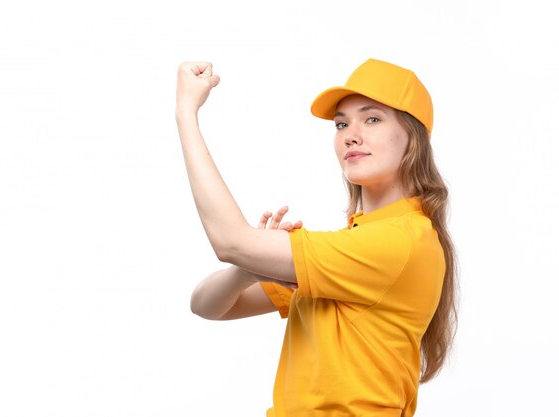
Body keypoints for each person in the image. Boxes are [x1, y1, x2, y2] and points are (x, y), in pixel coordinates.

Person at [175, 58, 457, 417]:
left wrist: (186, 113)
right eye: (342, 124)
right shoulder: (351, 246)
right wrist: (247, 270)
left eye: (372, 119)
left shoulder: (400, 241)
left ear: (413, 138)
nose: (350, 134)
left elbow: (230, 242)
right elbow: (207, 306)